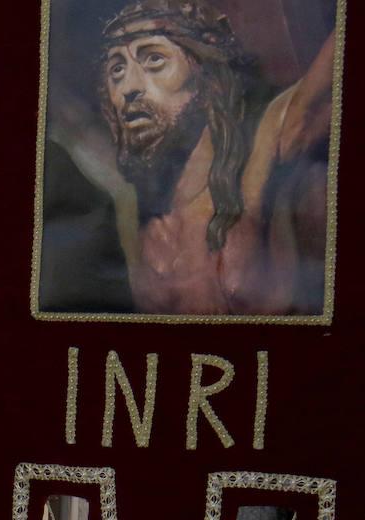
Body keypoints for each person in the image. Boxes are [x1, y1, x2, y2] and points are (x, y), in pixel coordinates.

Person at [79, 0, 335, 316]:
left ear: (206, 70)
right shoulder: (124, 207)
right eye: (117, 69)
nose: (129, 88)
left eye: (154, 60)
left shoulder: (265, 142)